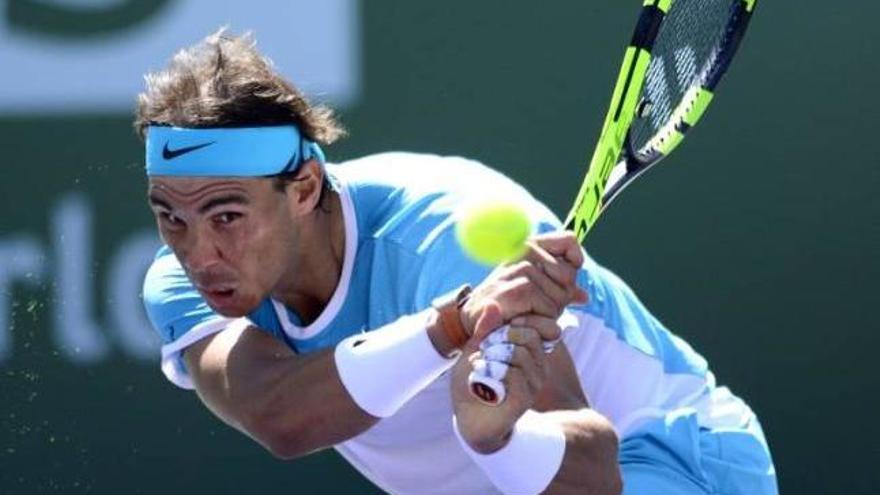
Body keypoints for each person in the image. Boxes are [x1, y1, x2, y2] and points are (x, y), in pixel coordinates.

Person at [137, 31, 778, 495]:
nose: (198, 252)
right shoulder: (182, 279)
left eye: (226, 217)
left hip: (675, 461)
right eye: (170, 217)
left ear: (303, 188)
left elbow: (591, 479)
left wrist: (500, 439)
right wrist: (449, 329)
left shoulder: (454, 242)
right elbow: (279, 417)